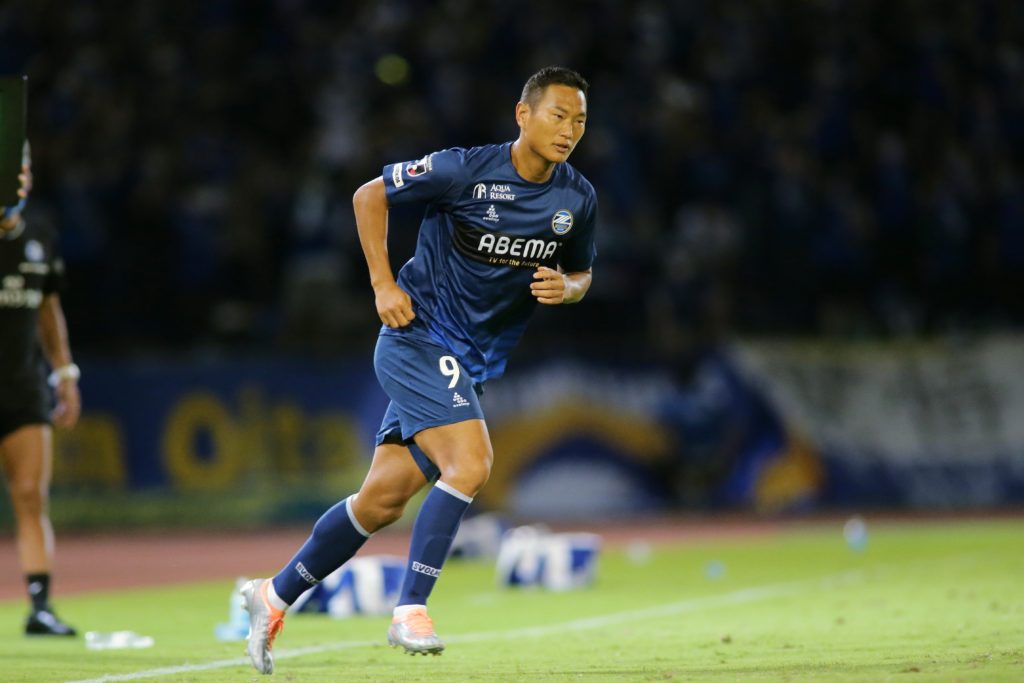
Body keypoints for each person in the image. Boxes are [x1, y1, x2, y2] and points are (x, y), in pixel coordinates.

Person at [242, 65, 596, 674]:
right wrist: (383, 284)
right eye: (558, 115)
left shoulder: (577, 199)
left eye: (580, 121)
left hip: (469, 364)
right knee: (472, 463)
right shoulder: (463, 170)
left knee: (380, 502)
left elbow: (583, 272)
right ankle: (411, 608)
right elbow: (368, 196)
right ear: (523, 114)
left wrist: (568, 288)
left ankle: (272, 596)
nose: (569, 131)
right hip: (417, 339)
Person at [0, 143, 81, 636]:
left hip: (23, 386)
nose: (21, 177)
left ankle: (40, 607)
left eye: (26, 168)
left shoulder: (40, 235)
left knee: (31, 495)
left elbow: (49, 310)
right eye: (14, 168)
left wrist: (65, 373)